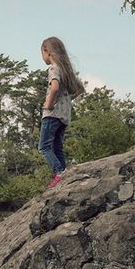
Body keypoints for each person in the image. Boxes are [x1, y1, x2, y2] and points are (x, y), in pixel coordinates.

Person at [39, 36, 85, 188]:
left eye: (42, 53)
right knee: (57, 146)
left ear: (48, 52)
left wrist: (48, 104)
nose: (42, 56)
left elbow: (54, 88)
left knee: (44, 147)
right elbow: (80, 89)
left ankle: (59, 172)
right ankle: (64, 174)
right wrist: (66, 101)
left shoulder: (53, 69)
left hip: (51, 115)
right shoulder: (67, 71)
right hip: (64, 116)